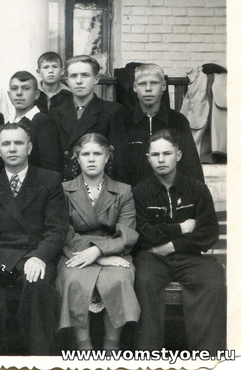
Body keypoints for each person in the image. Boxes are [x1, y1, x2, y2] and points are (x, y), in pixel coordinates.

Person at [0, 122, 69, 355]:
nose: (12, 149)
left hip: (32, 254)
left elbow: (57, 228)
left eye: (19, 143)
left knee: (37, 284)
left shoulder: (49, 179)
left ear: (29, 148)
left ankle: (39, 358)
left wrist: (40, 256)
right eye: (6, 144)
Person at [132, 129, 225, 352]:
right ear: (148, 158)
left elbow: (208, 232)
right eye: (156, 155)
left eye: (167, 153)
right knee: (144, 281)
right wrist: (181, 228)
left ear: (179, 155)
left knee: (213, 280)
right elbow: (143, 233)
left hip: (190, 256)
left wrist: (173, 245)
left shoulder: (197, 189)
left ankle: (206, 356)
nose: (161, 159)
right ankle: (148, 355)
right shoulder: (140, 192)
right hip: (153, 257)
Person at [57, 134, 140, 352]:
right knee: (73, 279)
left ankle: (111, 347)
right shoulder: (64, 189)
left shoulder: (123, 191)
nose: (91, 159)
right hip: (75, 251)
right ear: (77, 158)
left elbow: (127, 233)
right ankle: (83, 347)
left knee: (119, 278)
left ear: (107, 157)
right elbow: (62, 231)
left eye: (97, 153)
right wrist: (97, 256)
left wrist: (100, 252)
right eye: (85, 154)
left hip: (115, 251)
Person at [110, 63, 204, 186]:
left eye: (154, 83)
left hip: (169, 192)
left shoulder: (177, 121)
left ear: (163, 86)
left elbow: (191, 165)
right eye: (142, 84)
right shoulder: (122, 119)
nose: (148, 89)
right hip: (132, 193)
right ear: (134, 87)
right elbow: (117, 166)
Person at [49, 55, 120, 181]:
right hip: (64, 183)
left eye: (85, 75)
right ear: (67, 81)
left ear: (96, 79)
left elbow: (118, 160)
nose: (79, 81)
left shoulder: (112, 112)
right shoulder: (55, 113)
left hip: (98, 182)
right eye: (73, 76)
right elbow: (51, 159)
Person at [7, 71, 61, 172]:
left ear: (36, 94)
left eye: (26, 88)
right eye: (14, 88)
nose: (19, 93)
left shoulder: (44, 122)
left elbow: (50, 166)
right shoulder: (8, 121)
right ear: (9, 95)